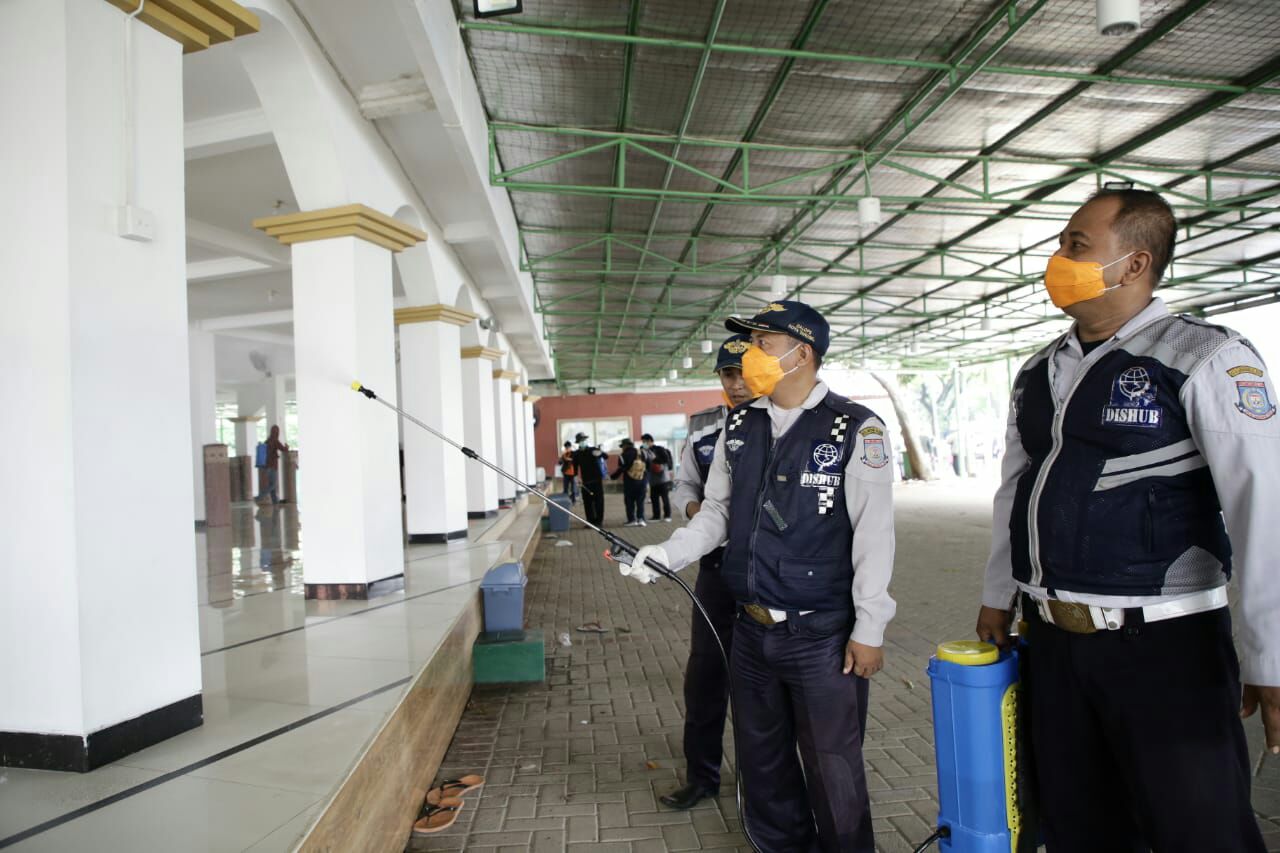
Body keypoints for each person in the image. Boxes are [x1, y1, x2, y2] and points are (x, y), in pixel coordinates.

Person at [976, 189, 1280, 851]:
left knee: (1200, 831)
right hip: (1053, 646)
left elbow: (1265, 508)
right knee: (1079, 827)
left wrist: (1272, 655)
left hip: (1168, 653)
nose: (1057, 259)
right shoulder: (1038, 372)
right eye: (1060, 245)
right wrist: (997, 595)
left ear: (1134, 263)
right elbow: (1013, 491)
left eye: (1075, 246)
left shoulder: (1205, 357)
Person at [620, 300, 896, 852]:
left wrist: (870, 626)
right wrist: (668, 554)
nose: (749, 354)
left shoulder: (855, 427)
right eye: (747, 344)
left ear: (803, 353)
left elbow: (874, 532)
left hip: (821, 635)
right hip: (750, 630)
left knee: (832, 768)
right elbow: (717, 512)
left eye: (762, 343)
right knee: (762, 765)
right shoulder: (742, 424)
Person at [659, 333, 753, 810]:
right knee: (705, 676)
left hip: (770, 576)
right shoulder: (701, 428)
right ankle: (702, 776)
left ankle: (763, 783)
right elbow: (683, 486)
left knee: (761, 683)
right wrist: (697, 510)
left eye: (743, 371)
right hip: (716, 572)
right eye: (727, 374)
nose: (736, 383)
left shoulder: (787, 422)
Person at [611, 438, 649, 527]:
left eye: (622, 447)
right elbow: (648, 466)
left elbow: (621, 468)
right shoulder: (642, 453)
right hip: (642, 481)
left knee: (629, 502)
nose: (622, 448)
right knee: (640, 501)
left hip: (629, 482)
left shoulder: (622, 455)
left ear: (625, 446)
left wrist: (613, 477)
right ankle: (641, 519)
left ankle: (632, 520)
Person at [571, 432, 607, 527]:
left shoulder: (593, 450)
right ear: (578, 442)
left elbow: (606, 456)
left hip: (596, 481)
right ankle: (590, 522)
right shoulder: (577, 454)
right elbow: (575, 466)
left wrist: (600, 452)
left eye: (584, 440)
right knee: (587, 502)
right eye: (580, 441)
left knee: (598, 501)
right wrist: (575, 477)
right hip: (585, 482)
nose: (582, 442)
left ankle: (599, 521)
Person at [641, 433, 674, 522]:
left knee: (665, 498)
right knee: (654, 498)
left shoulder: (659, 449)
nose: (644, 443)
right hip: (652, 479)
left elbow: (666, 460)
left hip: (663, 478)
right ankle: (656, 516)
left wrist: (655, 459)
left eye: (645, 441)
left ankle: (667, 516)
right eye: (643, 442)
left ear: (650, 441)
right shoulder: (644, 451)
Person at [264, 424, 289, 504]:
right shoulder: (275, 441)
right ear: (277, 432)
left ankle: (275, 502)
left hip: (267, 466)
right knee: (273, 485)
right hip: (273, 466)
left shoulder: (267, 441)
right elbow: (283, 449)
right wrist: (287, 447)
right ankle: (261, 495)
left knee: (272, 485)